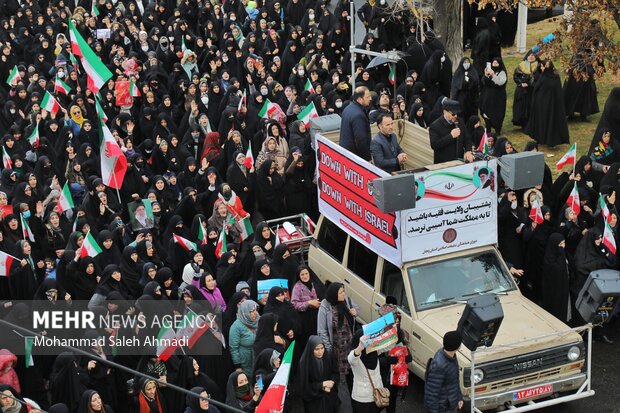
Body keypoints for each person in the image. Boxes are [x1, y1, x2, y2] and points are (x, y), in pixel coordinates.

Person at [525, 60, 570, 148]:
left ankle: (551, 141)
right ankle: (540, 138)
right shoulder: (541, 76)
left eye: (543, 66)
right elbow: (536, 88)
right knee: (541, 121)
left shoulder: (555, 77)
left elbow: (557, 91)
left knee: (551, 122)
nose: (542, 68)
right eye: (541, 66)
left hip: (552, 106)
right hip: (541, 105)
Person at [424, 331, 464, 413]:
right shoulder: (439, 365)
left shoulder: (451, 356)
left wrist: (459, 397)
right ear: (456, 346)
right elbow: (431, 395)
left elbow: (454, 381)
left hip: (450, 406)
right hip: (443, 409)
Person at [298, 336, 340, 413]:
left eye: (322, 348)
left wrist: (332, 382)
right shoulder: (304, 363)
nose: (320, 352)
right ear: (311, 349)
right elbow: (304, 386)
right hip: (314, 403)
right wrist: (321, 385)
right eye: (317, 349)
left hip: (329, 398)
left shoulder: (328, 356)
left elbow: (335, 373)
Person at [348, 330, 383, 413]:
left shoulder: (374, 351)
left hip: (377, 396)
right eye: (366, 341)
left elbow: (387, 346)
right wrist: (360, 347)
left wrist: (394, 330)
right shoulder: (356, 356)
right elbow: (351, 359)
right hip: (362, 400)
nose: (368, 343)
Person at [429, 99, 474, 164]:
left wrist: (468, 151)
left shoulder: (460, 121)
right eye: (453, 113)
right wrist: (451, 136)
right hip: (443, 164)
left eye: (457, 113)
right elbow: (434, 145)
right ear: (445, 111)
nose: (455, 116)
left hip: (459, 161)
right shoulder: (435, 126)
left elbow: (467, 138)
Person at [339, 86, 373, 161]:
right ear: (360, 99)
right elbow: (361, 140)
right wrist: (367, 159)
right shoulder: (358, 115)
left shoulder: (348, 108)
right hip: (354, 157)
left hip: (345, 153)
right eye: (368, 97)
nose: (370, 99)